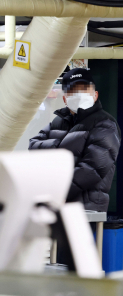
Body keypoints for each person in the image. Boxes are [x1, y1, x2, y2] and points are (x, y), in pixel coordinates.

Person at [29, 68, 121, 269]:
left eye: (84, 89)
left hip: (84, 208)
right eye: (72, 91)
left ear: (95, 94)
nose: (78, 95)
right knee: (54, 267)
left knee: (74, 268)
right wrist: (64, 145)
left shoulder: (105, 123)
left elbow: (94, 167)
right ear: (64, 98)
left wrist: (58, 189)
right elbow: (33, 146)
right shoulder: (59, 120)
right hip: (57, 207)